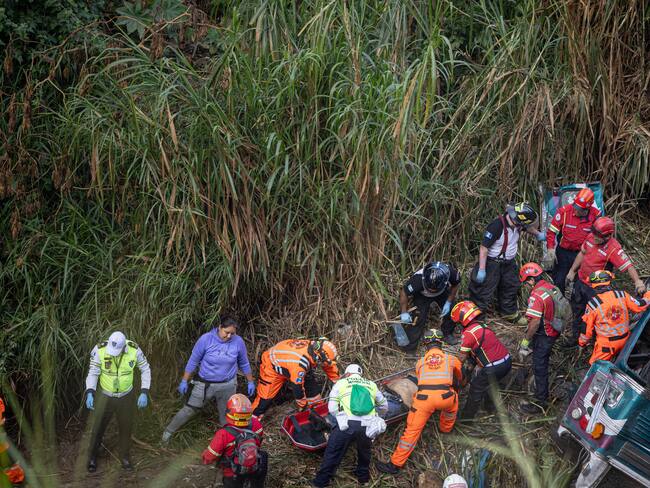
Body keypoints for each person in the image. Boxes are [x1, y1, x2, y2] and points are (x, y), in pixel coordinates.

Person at [376, 330, 463, 475]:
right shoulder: (451, 359)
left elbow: (422, 380)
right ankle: (445, 430)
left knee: (411, 433)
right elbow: (459, 378)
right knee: (452, 405)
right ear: (440, 343)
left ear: (425, 344)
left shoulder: (420, 363)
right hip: (445, 397)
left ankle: (395, 465)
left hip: (424, 400)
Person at [162, 316, 254, 443]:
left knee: (227, 416)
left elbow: (244, 363)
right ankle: (168, 432)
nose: (229, 336)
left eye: (232, 333)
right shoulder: (206, 339)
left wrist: (250, 381)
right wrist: (184, 380)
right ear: (220, 327)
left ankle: (228, 444)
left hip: (228, 385)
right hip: (205, 384)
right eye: (226, 332)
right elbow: (193, 361)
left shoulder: (238, 342)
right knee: (189, 409)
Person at [565, 216, 646, 346]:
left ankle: (597, 341)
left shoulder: (613, 248)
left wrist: (637, 282)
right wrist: (572, 271)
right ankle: (576, 338)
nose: (594, 237)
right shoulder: (591, 236)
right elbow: (582, 253)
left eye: (598, 236)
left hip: (597, 290)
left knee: (598, 315)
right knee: (578, 310)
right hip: (581, 282)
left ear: (607, 236)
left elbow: (628, 265)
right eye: (594, 234)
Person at [311, 364, 388, 487]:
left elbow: (332, 408)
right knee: (365, 452)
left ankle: (320, 482)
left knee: (333, 453)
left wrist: (340, 418)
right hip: (367, 427)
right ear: (361, 374)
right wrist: (378, 417)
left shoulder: (341, 383)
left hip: (347, 425)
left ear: (347, 374)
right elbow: (384, 406)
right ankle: (364, 479)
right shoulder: (371, 384)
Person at [468, 202, 545, 326]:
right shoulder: (496, 226)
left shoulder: (518, 223)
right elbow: (484, 248)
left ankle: (508, 313)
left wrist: (537, 234)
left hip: (509, 263)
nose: (523, 227)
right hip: (492, 263)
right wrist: (482, 269)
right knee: (483, 291)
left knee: (510, 287)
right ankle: (476, 320)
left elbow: (527, 227)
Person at [85, 331, 151, 472]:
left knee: (126, 428)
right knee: (98, 428)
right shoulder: (100, 350)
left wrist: (144, 391)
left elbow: (145, 369)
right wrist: (90, 391)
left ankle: (125, 457)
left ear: (123, 347)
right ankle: (92, 457)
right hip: (105, 396)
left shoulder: (134, 350)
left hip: (126, 396)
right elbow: (93, 372)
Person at [451, 301, 511, 421]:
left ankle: (466, 419)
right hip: (507, 362)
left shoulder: (469, 333)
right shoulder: (482, 326)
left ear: (463, 319)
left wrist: (454, 373)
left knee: (476, 388)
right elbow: (475, 355)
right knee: (491, 385)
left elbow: (461, 358)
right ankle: (489, 408)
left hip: (493, 367)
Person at [251, 338, 339, 417]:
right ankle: (251, 420)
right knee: (264, 400)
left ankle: (318, 411)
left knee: (312, 391)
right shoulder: (301, 363)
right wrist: (303, 406)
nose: (325, 364)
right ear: (318, 357)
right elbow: (297, 387)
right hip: (272, 366)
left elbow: (329, 366)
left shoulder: (316, 348)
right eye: (324, 362)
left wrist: (339, 383)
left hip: (290, 361)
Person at [578, 270, 650, 364]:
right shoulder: (622, 295)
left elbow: (586, 329)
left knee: (595, 367)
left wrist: (581, 344)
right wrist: (648, 294)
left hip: (606, 346)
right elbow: (640, 305)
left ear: (594, 286)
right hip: (626, 341)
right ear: (608, 283)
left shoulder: (593, 305)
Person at [518, 263, 559, 414]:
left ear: (530, 280)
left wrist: (525, 342)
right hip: (553, 328)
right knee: (540, 357)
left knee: (540, 366)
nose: (527, 286)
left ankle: (540, 402)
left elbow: (534, 323)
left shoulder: (536, 296)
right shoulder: (550, 286)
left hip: (546, 334)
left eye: (526, 282)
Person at [202, 394, 267, 488]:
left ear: (229, 413)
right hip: (254, 465)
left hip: (233, 472)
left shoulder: (223, 434)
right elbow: (258, 442)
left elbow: (210, 456)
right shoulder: (256, 424)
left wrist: (205, 458)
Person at [544, 188, 600, 294]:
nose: (576, 210)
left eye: (579, 209)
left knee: (581, 284)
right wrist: (550, 249)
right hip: (564, 253)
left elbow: (599, 237)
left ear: (587, 208)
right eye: (575, 206)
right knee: (559, 281)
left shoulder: (595, 216)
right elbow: (551, 232)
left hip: (582, 254)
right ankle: (560, 305)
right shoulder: (564, 212)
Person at [399, 261, 462, 349]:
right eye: (430, 289)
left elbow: (455, 284)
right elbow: (404, 292)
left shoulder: (450, 273)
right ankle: (411, 347)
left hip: (442, 292)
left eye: (433, 290)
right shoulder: (417, 280)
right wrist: (404, 311)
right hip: (422, 295)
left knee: (452, 310)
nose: (432, 291)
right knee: (418, 318)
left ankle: (447, 333)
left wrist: (448, 302)